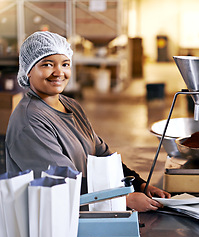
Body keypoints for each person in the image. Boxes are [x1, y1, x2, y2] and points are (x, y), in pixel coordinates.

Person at [5, 31, 171, 212]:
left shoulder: (70, 105)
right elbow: (63, 182)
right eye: (47, 64)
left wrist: (140, 185)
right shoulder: (29, 122)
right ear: (28, 70)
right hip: (48, 221)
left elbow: (101, 155)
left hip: (80, 212)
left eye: (65, 64)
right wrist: (124, 199)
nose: (59, 72)